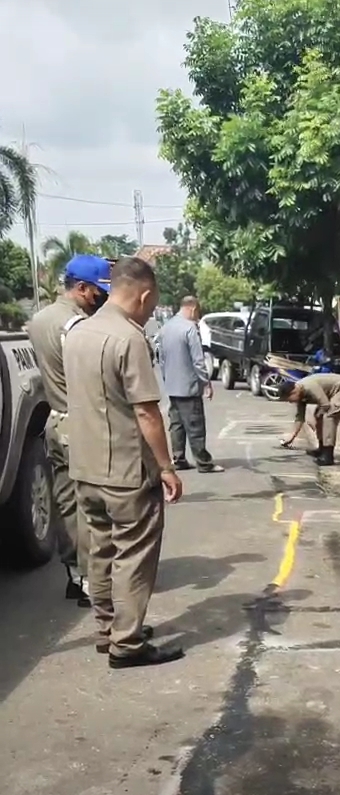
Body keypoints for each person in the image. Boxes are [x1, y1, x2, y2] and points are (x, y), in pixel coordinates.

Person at [63, 257, 184, 669]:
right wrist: (167, 467)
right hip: (126, 472)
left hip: (84, 466)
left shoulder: (78, 332)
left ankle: (107, 630)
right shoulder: (129, 339)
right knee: (134, 554)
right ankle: (127, 643)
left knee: (99, 549)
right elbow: (148, 413)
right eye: (152, 305)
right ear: (145, 295)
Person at [27, 253, 113, 606]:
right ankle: (96, 584)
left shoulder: (38, 320)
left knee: (66, 504)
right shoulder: (77, 326)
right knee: (93, 507)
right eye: (98, 291)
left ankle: (76, 576)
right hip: (81, 423)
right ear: (81, 288)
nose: (102, 298)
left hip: (55, 421)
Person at [157, 296, 224, 473]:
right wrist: (206, 383)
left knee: (176, 425)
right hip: (188, 387)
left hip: (172, 386)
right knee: (195, 425)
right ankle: (203, 462)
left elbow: (161, 359)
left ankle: (178, 458)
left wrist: (166, 379)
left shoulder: (165, 328)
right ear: (193, 309)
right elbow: (198, 360)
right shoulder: (189, 329)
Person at [279, 372, 340, 466]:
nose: (291, 402)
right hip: (332, 393)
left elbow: (325, 404)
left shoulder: (309, 387)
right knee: (320, 416)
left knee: (329, 416)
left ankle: (328, 455)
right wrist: (292, 437)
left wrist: (314, 418)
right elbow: (300, 417)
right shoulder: (300, 393)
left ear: (294, 392)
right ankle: (321, 449)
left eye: (290, 400)